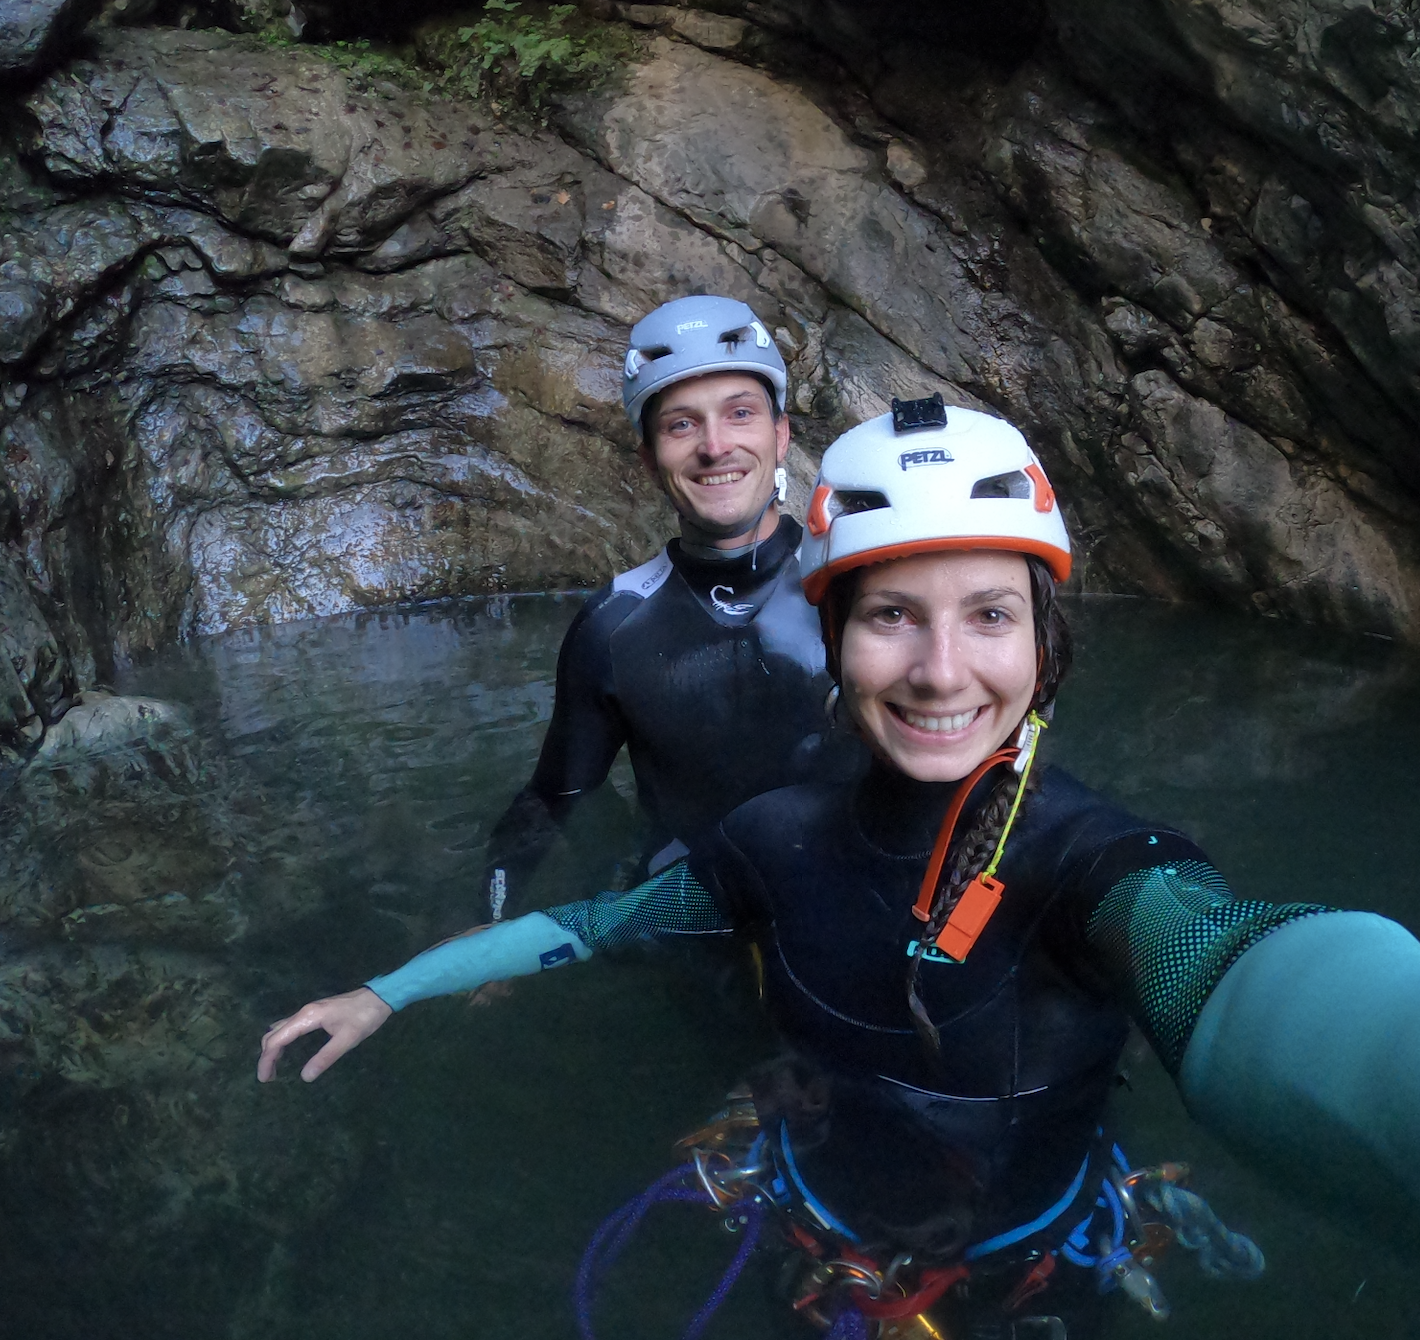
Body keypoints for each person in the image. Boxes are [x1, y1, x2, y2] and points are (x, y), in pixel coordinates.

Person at [258, 397, 1420, 1334]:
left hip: (1035, 1282)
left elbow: (1238, 968)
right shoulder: (772, 838)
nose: (940, 669)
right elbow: (596, 926)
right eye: (891, 615)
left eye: (989, 615)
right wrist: (387, 991)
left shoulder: (1096, 865)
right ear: (833, 639)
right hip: (821, 1255)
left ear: (1045, 642)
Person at [480, 293, 856, 921]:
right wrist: (489, 926)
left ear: (781, 435)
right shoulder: (614, 625)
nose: (715, 446)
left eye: (740, 413)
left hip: (849, 917)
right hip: (681, 921)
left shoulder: (857, 588)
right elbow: (552, 800)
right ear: (650, 461)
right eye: (681, 424)